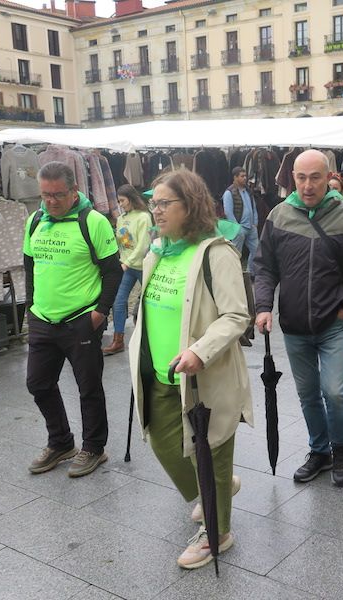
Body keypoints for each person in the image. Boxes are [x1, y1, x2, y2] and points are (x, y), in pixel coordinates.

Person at [128, 169, 252, 570]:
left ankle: (218, 532)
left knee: (210, 452)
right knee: (165, 445)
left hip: (204, 377)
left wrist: (200, 350)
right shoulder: (157, 251)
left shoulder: (217, 253)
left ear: (190, 205)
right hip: (160, 373)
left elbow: (236, 316)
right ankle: (215, 490)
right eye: (154, 203)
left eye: (165, 204)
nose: (156, 211)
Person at [254, 149, 343, 487]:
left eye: (315, 177)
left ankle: (340, 450)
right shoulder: (278, 216)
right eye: (301, 177)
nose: (308, 185)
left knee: (334, 392)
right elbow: (264, 267)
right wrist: (264, 306)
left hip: (334, 324)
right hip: (294, 327)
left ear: (329, 177)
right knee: (308, 394)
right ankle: (319, 451)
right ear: (292, 178)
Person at [24, 161, 122, 477]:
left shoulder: (93, 222)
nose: (51, 201)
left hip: (81, 320)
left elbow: (112, 272)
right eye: (45, 195)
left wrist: (99, 313)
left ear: (74, 191)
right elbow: (30, 267)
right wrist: (30, 308)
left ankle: (93, 448)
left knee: (88, 387)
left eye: (58, 195)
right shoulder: (35, 220)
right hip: (42, 319)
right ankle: (61, 442)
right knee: (38, 383)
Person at [103, 185, 152, 355]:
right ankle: (118, 341)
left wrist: (127, 262)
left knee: (149, 304)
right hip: (127, 266)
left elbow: (143, 245)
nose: (120, 204)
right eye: (118, 201)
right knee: (118, 301)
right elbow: (121, 242)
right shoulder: (121, 218)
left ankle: (150, 339)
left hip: (143, 266)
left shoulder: (144, 217)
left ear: (131, 199)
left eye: (122, 200)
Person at [222, 166, 259, 273]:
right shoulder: (229, 192)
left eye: (245, 176)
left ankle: (250, 272)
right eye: (242, 176)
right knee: (236, 253)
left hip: (251, 227)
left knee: (256, 250)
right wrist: (236, 228)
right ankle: (233, 274)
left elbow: (253, 207)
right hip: (239, 228)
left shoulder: (248, 190)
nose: (245, 178)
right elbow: (228, 212)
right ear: (235, 177)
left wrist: (255, 222)